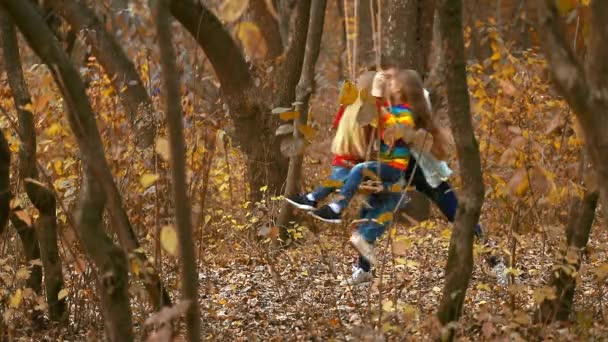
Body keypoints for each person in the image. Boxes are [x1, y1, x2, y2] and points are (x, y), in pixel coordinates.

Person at [285, 70, 376, 210]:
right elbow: (339, 125)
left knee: (341, 177)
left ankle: (315, 200)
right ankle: (317, 201)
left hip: (357, 157)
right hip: (348, 154)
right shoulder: (353, 103)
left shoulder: (372, 106)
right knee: (340, 177)